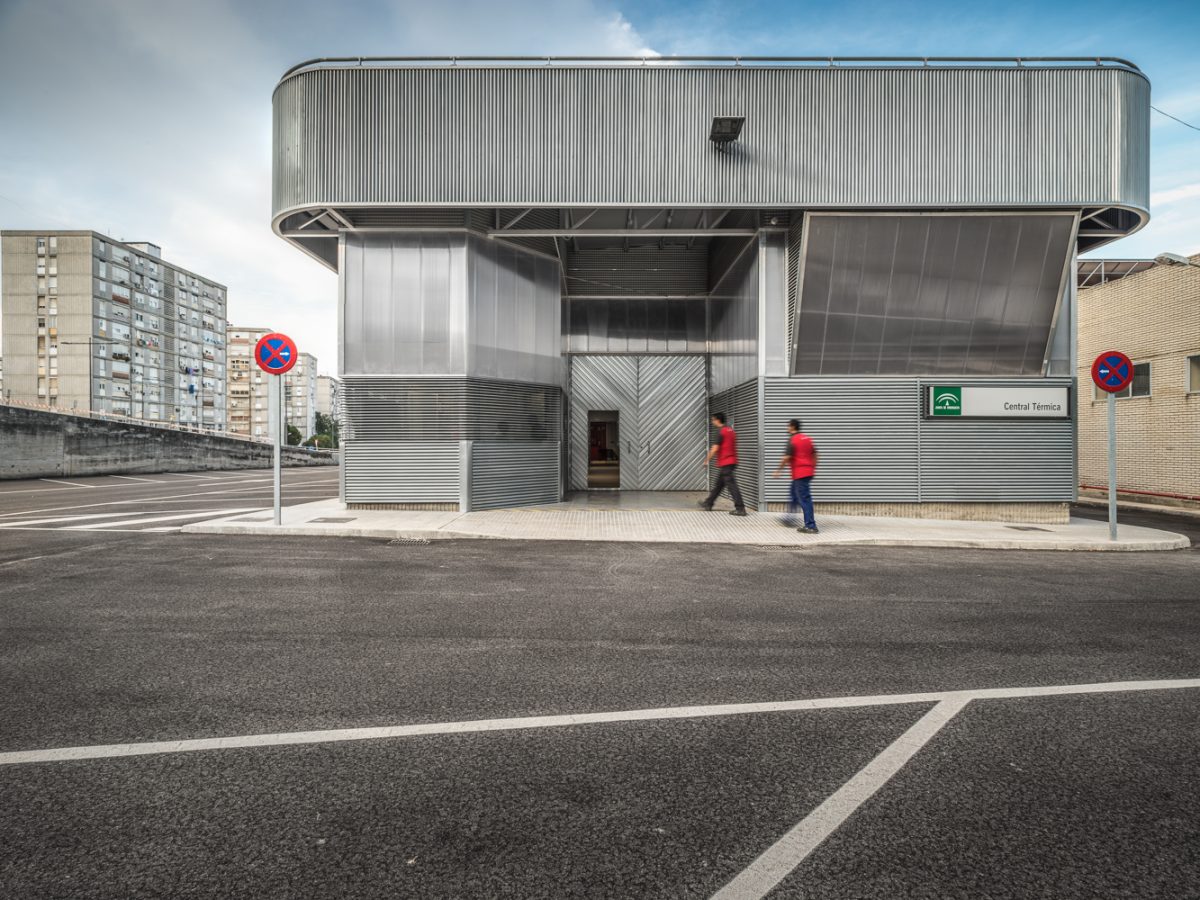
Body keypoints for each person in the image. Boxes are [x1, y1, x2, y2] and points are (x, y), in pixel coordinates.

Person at [773, 418, 818, 533]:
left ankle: (811, 526)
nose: (787, 428)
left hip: (800, 474)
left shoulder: (792, 440)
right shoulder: (808, 439)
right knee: (793, 494)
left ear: (792, 427)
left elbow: (786, 458)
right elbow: (816, 454)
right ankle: (789, 518)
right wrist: (813, 467)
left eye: (788, 426)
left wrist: (779, 470)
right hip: (807, 472)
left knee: (805, 499)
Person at [700, 413, 748, 516]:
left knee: (732, 486)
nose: (712, 422)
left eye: (713, 420)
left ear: (718, 420)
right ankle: (708, 503)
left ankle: (740, 508)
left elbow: (715, 448)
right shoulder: (731, 431)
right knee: (719, 485)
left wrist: (706, 460)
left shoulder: (721, 432)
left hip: (726, 462)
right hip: (732, 461)